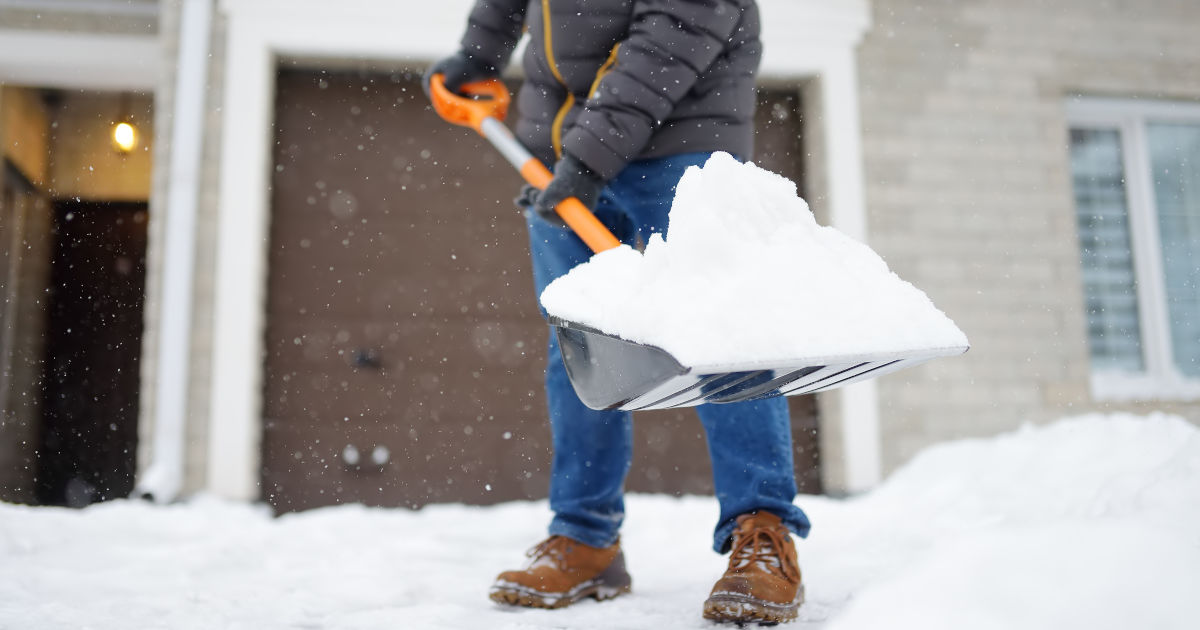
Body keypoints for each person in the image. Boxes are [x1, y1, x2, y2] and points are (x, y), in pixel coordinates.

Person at [424, 0, 811, 624]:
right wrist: (479, 53)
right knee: (580, 346)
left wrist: (588, 158)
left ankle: (762, 532)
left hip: (681, 137)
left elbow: (677, 28)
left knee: (723, 333)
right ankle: (584, 537)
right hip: (559, 146)